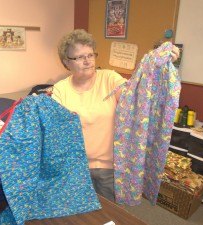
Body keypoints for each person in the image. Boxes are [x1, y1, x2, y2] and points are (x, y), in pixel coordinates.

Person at [51, 29, 179, 202]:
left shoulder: (109, 78)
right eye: (80, 57)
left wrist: (156, 65)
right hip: (76, 168)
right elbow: (55, 129)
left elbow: (136, 94)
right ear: (67, 62)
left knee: (109, 215)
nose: (88, 61)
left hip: (109, 169)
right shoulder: (60, 89)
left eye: (91, 54)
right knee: (81, 213)